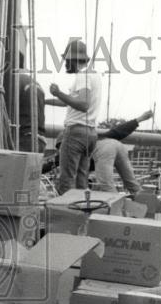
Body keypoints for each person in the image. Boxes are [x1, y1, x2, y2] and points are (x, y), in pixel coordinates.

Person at [45, 38, 102, 193]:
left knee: (66, 179)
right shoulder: (94, 75)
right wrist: (45, 101)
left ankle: (64, 215)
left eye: (66, 61)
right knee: (81, 180)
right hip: (90, 134)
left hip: (76, 133)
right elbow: (68, 103)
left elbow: (83, 104)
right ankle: (81, 213)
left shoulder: (82, 76)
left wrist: (58, 92)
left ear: (73, 60)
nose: (65, 64)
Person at [93, 109, 153, 196]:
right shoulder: (94, 137)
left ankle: (116, 206)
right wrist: (139, 119)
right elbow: (116, 132)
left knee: (106, 186)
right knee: (132, 183)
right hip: (117, 144)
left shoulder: (72, 149)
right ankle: (147, 204)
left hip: (102, 148)